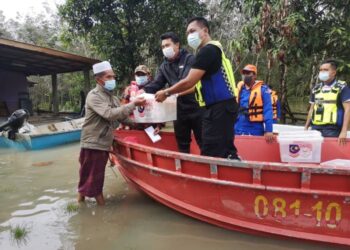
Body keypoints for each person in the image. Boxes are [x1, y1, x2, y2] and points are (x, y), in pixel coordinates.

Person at [155, 17, 239, 159]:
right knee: (224, 149)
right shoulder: (214, 50)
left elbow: (189, 81)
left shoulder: (208, 51)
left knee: (212, 152)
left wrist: (167, 92)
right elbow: (196, 86)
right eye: (187, 33)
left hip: (219, 109)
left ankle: (219, 179)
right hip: (222, 108)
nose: (190, 36)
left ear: (205, 31)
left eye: (192, 31)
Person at [78, 61, 146, 205]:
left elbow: (123, 117)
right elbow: (109, 114)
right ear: (99, 80)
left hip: (103, 141)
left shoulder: (112, 97)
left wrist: (141, 126)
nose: (112, 80)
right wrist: (133, 104)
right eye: (108, 77)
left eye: (113, 77)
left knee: (89, 174)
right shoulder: (94, 96)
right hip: (93, 142)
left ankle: (80, 203)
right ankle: (101, 209)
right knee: (94, 176)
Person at [144, 32, 203, 153]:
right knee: (182, 143)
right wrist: (142, 91)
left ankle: (209, 169)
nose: (165, 49)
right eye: (163, 47)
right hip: (178, 110)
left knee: (204, 142)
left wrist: (168, 93)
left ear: (177, 45)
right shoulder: (164, 66)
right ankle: (185, 170)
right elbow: (157, 83)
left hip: (196, 108)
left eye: (167, 45)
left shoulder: (190, 59)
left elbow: (189, 83)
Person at [305, 59, 350, 145]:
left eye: (326, 70)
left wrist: (344, 131)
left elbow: (348, 110)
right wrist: (306, 127)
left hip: (332, 129)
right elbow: (311, 109)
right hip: (315, 128)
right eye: (321, 70)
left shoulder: (342, 88)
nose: (322, 72)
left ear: (334, 72)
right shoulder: (316, 89)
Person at [234, 64, 274, 143]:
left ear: (255, 75)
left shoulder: (263, 90)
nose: (245, 75)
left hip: (255, 127)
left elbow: (268, 110)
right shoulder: (240, 89)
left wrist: (269, 130)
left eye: (248, 73)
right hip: (238, 125)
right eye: (244, 73)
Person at [120, 65, 162, 133]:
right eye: (138, 75)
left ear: (148, 76)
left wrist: (159, 125)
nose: (140, 77)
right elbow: (123, 108)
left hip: (151, 126)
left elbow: (161, 109)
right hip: (133, 125)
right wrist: (122, 124)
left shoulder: (155, 89)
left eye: (142, 75)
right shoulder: (129, 90)